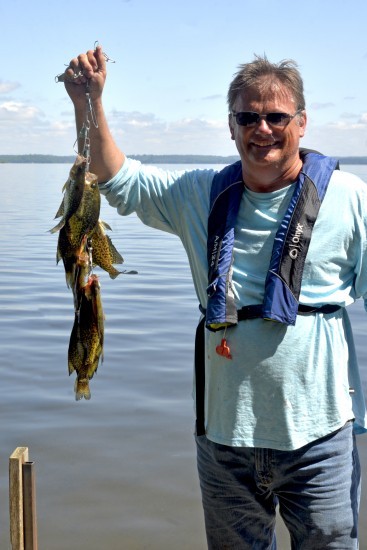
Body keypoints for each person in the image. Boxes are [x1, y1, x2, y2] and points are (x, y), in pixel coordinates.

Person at [63, 47, 367, 548]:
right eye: (248, 116)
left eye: (276, 116)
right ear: (231, 126)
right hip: (225, 441)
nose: (262, 128)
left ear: (302, 123)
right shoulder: (199, 194)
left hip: (320, 438)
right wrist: (88, 100)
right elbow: (117, 179)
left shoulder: (349, 198)